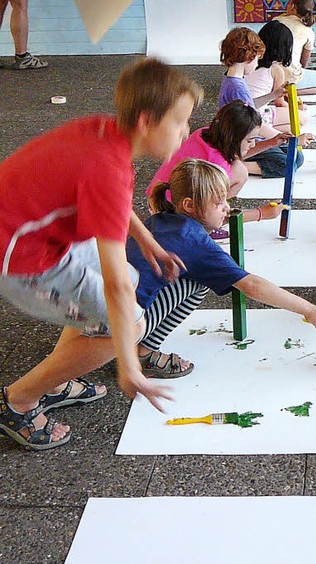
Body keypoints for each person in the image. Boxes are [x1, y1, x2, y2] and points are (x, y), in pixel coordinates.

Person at [0, 57, 203, 450]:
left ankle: (56, 378)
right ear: (147, 121)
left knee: (131, 279)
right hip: (23, 261)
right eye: (179, 122)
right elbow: (115, 289)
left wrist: (146, 240)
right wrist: (129, 365)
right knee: (131, 324)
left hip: (40, 233)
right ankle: (19, 401)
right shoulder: (109, 169)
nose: (186, 131)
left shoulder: (105, 133)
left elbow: (112, 199)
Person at [129, 158, 316, 377]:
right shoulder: (194, 240)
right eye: (219, 203)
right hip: (123, 324)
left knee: (195, 280)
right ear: (190, 206)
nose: (227, 208)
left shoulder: (163, 220)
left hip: (112, 307)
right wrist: (310, 309)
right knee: (198, 283)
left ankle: (138, 347)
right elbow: (252, 285)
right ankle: (144, 353)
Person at [147, 101, 286, 236]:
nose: (253, 144)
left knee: (238, 169)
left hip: (157, 199)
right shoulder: (218, 167)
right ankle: (205, 225)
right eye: (249, 140)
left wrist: (271, 143)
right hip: (172, 216)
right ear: (233, 139)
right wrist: (261, 213)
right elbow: (216, 210)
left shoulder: (205, 133)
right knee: (240, 173)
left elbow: (236, 154)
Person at [219, 26, 312, 178]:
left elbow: (249, 105)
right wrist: (290, 139)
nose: (257, 64)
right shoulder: (238, 87)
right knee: (288, 162)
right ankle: (234, 167)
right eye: (256, 59)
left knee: (296, 157)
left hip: (241, 138)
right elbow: (256, 125)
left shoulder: (233, 80)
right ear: (248, 57)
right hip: (240, 144)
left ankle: (235, 163)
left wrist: (272, 95)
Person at [245, 19, 309, 131]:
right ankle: (265, 131)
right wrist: (297, 109)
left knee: (294, 124)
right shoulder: (276, 69)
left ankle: (267, 130)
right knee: (302, 119)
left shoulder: (249, 61)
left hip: (243, 112)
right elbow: (279, 102)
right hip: (254, 115)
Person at [275, 0, 316, 95]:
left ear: (293, 6)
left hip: (267, 75)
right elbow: (303, 63)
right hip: (289, 77)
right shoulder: (308, 31)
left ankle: (277, 90)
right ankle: (287, 92)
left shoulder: (275, 21)